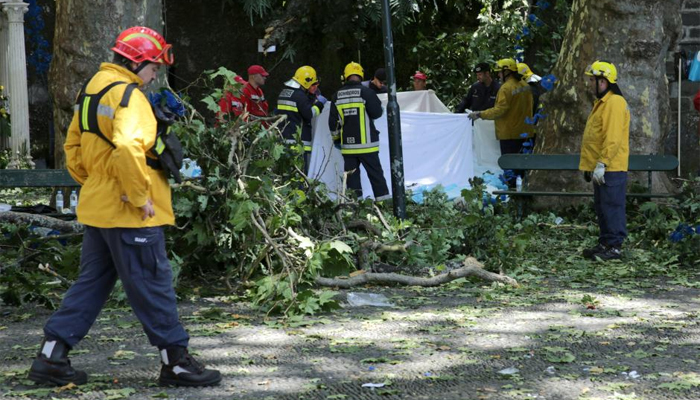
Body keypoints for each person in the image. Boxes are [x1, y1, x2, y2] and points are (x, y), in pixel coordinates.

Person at [27, 26, 221, 387]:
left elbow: (73, 148)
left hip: (100, 207)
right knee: (152, 283)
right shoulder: (129, 95)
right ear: (137, 62)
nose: (153, 76)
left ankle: (50, 357)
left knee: (91, 284)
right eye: (153, 68)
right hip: (131, 211)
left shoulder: (92, 89)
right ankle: (176, 362)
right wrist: (137, 195)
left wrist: (98, 183)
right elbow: (130, 146)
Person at [580, 61, 630, 261]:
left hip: (611, 167)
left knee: (612, 206)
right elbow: (595, 137)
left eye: (593, 80)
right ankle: (606, 243)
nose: (590, 84)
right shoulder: (603, 103)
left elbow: (613, 137)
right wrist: (590, 166)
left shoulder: (614, 103)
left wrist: (603, 163)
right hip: (602, 167)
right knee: (602, 207)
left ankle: (614, 247)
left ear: (604, 81)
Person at [329, 62, 389, 200]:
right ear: (361, 76)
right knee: (376, 176)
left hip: (349, 148)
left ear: (345, 76)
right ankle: (383, 204)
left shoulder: (336, 96)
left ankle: (355, 208)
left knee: (352, 180)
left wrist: (337, 139)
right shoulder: (367, 92)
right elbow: (377, 113)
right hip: (368, 146)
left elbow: (333, 123)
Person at [469, 58, 533, 157]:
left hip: (510, 134)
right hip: (525, 132)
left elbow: (499, 110)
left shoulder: (506, 88)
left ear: (507, 71)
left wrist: (479, 114)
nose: (498, 75)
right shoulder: (524, 85)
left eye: (500, 72)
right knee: (522, 166)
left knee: (510, 166)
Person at [276, 65, 326, 173]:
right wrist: (320, 104)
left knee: (285, 175)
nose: (315, 87)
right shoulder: (300, 96)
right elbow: (309, 113)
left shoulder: (284, 93)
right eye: (313, 84)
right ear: (306, 82)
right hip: (298, 143)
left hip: (283, 140)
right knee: (299, 177)